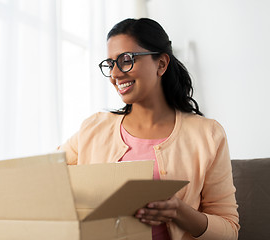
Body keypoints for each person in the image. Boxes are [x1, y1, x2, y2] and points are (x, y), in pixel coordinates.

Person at [59, 18, 239, 240]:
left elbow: (229, 231)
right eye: (110, 64)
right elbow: (46, 179)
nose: (115, 74)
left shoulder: (208, 135)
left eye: (126, 60)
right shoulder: (93, 129)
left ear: (161, 64)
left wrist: (178, 211)